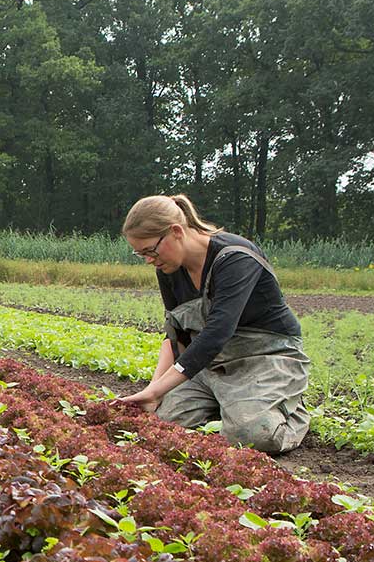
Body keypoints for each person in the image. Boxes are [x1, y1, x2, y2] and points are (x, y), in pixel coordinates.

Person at [116, 194, 309, 454]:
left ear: (175, 231)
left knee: (253, 435)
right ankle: (231, 404)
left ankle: (288, 409)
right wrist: (154, 391)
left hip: (265, 358)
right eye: (141, 254)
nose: (149, 260)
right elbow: (177, 336)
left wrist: (157, 391)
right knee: (164, 425)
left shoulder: (236, 259)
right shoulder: (169, 270)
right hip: (210, 367)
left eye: (151, 250)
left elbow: (216, 334)